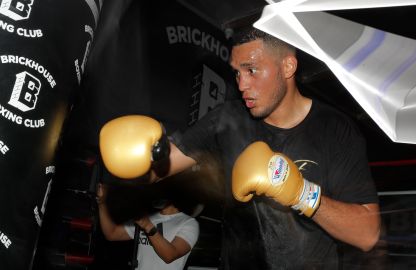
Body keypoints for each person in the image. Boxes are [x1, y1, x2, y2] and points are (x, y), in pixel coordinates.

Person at [100, 26, 380, 269]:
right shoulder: (227, 118)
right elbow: (164, 167)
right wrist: (143, 156)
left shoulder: (335, 130)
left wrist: (299, 192)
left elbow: (367, 235)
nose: (242, 84)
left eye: (252, 70)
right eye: (237, 73)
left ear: (288, 67)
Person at [96, 183, 199, 270]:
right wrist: (102, 203)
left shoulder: (188, 222)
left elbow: (170, 255)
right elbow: (112, 234)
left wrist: (147, 225)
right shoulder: (149, 217)